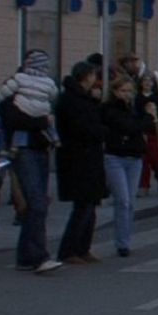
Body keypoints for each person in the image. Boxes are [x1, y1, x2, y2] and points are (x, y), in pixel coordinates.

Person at [0, 49, 62, 273]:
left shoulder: (45, 88)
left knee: (36, 203)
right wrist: (42, 121)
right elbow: (14, 119)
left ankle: (25, 256)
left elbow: (51, 110)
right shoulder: (13, 90)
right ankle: (39, 256)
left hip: (40, 147)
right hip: (23, 149)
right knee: (37, 202)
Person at [55, 62, 107, 264]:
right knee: (82, 206)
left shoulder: (85, 98)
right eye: (93, 75)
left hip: (89, 157)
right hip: (78, 158)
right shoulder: (72, 100)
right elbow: (83, 128)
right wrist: (101, 132)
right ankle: (69, 250)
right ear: (86, 76)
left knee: (90, 206)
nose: (95, 79)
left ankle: (83, 247)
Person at [101, 75, 153, 257]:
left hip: (134, 157)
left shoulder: (135, 107)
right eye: (123, 91)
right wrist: (147, 117)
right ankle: (121, 242)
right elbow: (129, 127)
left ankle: (124, 241)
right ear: (115, 92)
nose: (127, 95)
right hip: (115, 157)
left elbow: (145, 127)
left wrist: (148, 117)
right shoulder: (109, 109)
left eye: (130, 91)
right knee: (122, 200)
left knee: (130, 202)